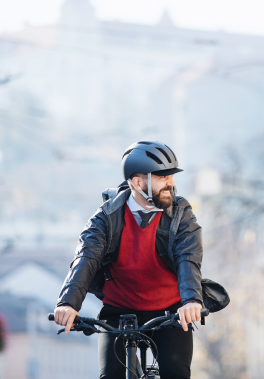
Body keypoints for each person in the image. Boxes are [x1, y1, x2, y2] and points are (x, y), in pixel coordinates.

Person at [54, 141, 205, 379]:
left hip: (170, 313)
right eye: (163, 177)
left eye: (171, 177)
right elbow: (86, 257)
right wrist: (68, 303)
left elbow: (189, 259)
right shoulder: (106, 217)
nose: (171, 183)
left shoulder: (181, 216)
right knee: (110, 376)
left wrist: (191, 301)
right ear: (138, 182)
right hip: (118, 312)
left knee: (176, 373)